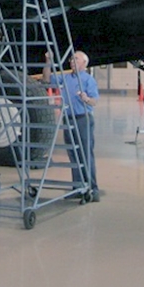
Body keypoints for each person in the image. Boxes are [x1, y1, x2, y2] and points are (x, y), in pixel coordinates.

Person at [42, 50, 100, 202]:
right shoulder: (66, 78)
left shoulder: (88, 80)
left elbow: (94, 101)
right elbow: (46, 79)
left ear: (84, 63)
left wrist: (86, 99)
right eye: (71, 59)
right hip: (68, 119)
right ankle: (77, 187)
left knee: (85, 154)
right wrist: (48, 61)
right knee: (73, 154)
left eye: (76, 59)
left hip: (83, 119)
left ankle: (93, 189)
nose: (72, 61)